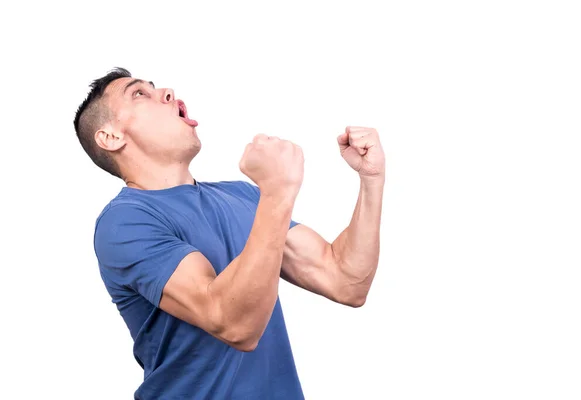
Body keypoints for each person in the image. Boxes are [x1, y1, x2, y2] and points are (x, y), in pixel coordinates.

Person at [73, 67, 385, 399]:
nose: (166, 92)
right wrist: (277, 193)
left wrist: (372, 179)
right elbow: (233, 324)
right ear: (111, 137)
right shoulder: (124, 223)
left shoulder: (243, 197)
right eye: (139, 94)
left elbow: (347, 282)